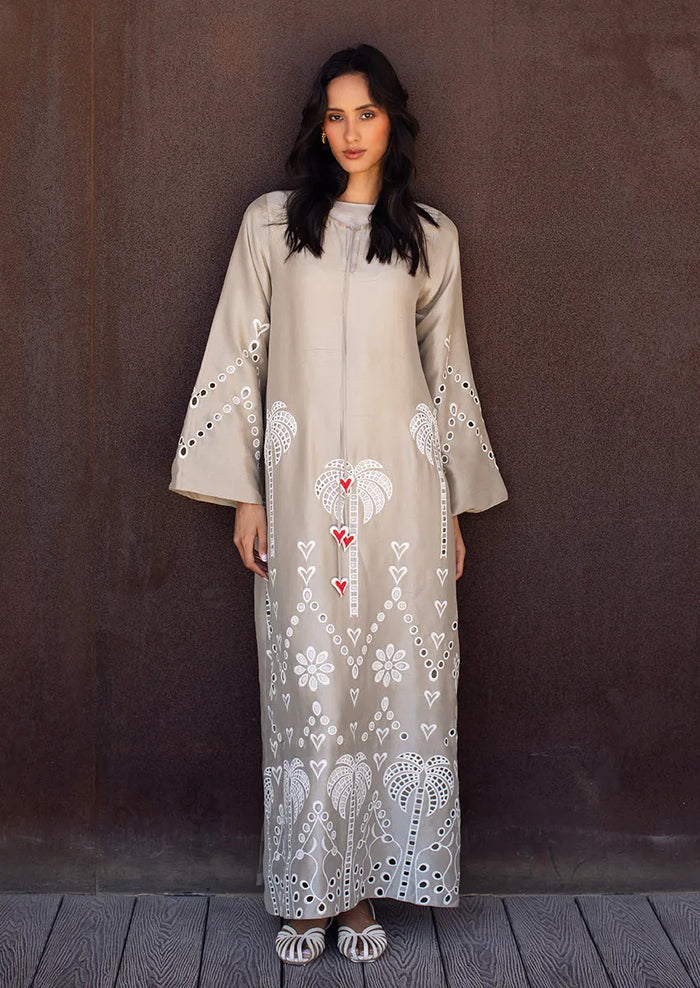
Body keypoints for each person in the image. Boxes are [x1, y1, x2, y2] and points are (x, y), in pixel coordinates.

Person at [169, 42, 508, 966]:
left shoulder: (431, 238)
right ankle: (308, 893)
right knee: (310, 687)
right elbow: (237, 356)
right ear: (318, 128)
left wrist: (452, 511)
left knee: (394, 688)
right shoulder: (272, 227)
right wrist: (245, 496)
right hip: (302, 496)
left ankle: (361, 895)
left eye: (367, 113)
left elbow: (448, 378)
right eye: (335, 115)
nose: (351, 132)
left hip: (403, 510)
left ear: (392, 121)